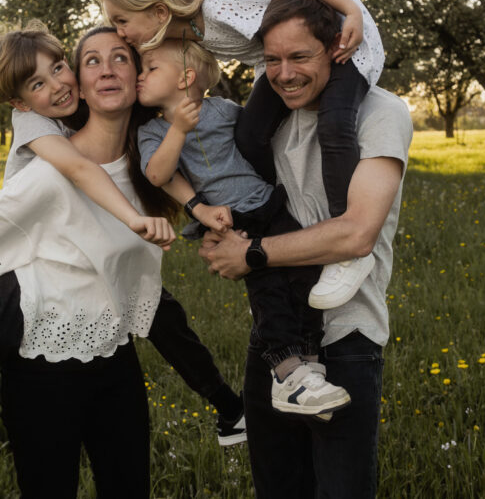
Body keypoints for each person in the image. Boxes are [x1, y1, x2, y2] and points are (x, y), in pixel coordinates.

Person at [0, 26, 244, 499]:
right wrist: (27, 293)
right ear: (84, 87)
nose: (106, 70)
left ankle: (229, 407)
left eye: (120, 58)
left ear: (140, 77)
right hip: (41, 374)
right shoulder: (48, 172)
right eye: (92, 61)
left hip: (116, 360)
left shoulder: (153, 166)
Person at [199, 0, 412, 499]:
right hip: (276, 345)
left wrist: (252, 254)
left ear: (337, 49)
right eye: (272, 60)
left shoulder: (380, 112)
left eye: (299, 56)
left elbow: (357, 232)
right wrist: (217, 230)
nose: (284, 73)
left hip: (348, 336)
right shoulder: (268, 121)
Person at [89, 0, 385, 309]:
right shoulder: (186, 38)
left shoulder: (219, 5)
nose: (120, 32)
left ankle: (346, 246)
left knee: (335, 124)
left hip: (345, 39)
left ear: (160, 12)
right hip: (283, 62)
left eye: (121, 21)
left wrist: (351, 11)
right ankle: (270, 206)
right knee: (249, 133)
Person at [135, 37, 350, 416]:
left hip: (268, 203)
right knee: (268, 291)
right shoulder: (153, 131)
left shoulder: (222, 109)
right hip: (232, 221)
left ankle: (310, 366)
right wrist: (179, 129)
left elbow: (261, 133)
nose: (140, 75)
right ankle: (286, 371)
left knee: (307, 275)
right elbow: (157, 174)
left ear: (185, 78)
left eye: (150, 68)